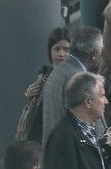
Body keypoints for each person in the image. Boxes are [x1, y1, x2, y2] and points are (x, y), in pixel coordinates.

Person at [41, 26, 103, 154]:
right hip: (72, 156)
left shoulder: (58, 71)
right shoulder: (78, 80)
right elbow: (89, 120)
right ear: (94, 54)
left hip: (56, 153)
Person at [16, 27, 70, 144]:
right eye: (56, 49)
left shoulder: (73, 76)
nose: (61, 54)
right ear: (50, 51)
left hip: (60, 135)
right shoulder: (45, 73)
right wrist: (29, 93)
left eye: (66, 49)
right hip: (38, 134)